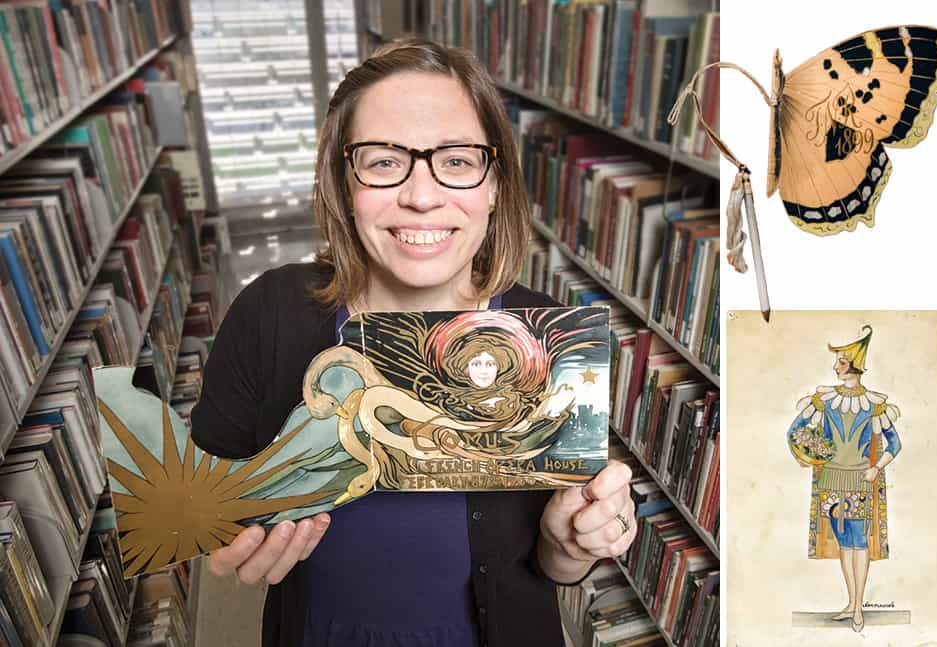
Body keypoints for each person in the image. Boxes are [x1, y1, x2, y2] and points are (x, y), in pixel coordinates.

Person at [190, 37, 636, 647]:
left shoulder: (551, 341)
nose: (422, 196)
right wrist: (226, 533)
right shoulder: (269, 313)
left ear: (495, 182)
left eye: (456, 160)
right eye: (382, 161)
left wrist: (569, 546)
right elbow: (209, 491)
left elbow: (552, 569)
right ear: (343, 184)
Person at [787, 325, 901, 633]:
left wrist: (877, 468)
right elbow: (795, 430)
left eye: (840, 362)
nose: (835, 367)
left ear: (854, 365)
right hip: (831, 481)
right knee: (843, 542)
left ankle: (859, 606)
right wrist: (803, 454)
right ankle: (851, 604)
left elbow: (895, 445)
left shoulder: (875, 405)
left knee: (858, 541)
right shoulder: (824, 400)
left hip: (859, 481)